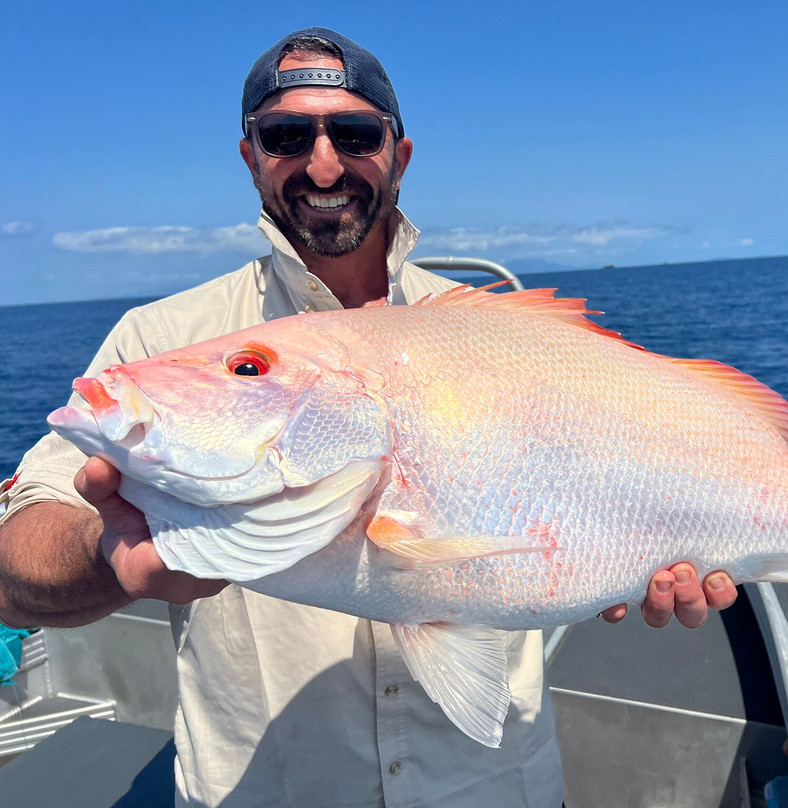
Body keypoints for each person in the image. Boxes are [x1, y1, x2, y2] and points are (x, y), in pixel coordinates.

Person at [0, 27, 737, 807]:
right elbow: (15, 563)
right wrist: (106, 556)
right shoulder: (160, 344)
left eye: (353, 134)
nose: (323, 164)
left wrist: (642, 553)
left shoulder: (500, 336)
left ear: (399, 153)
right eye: (287, 136)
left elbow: (607, 497)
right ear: (250, 156)